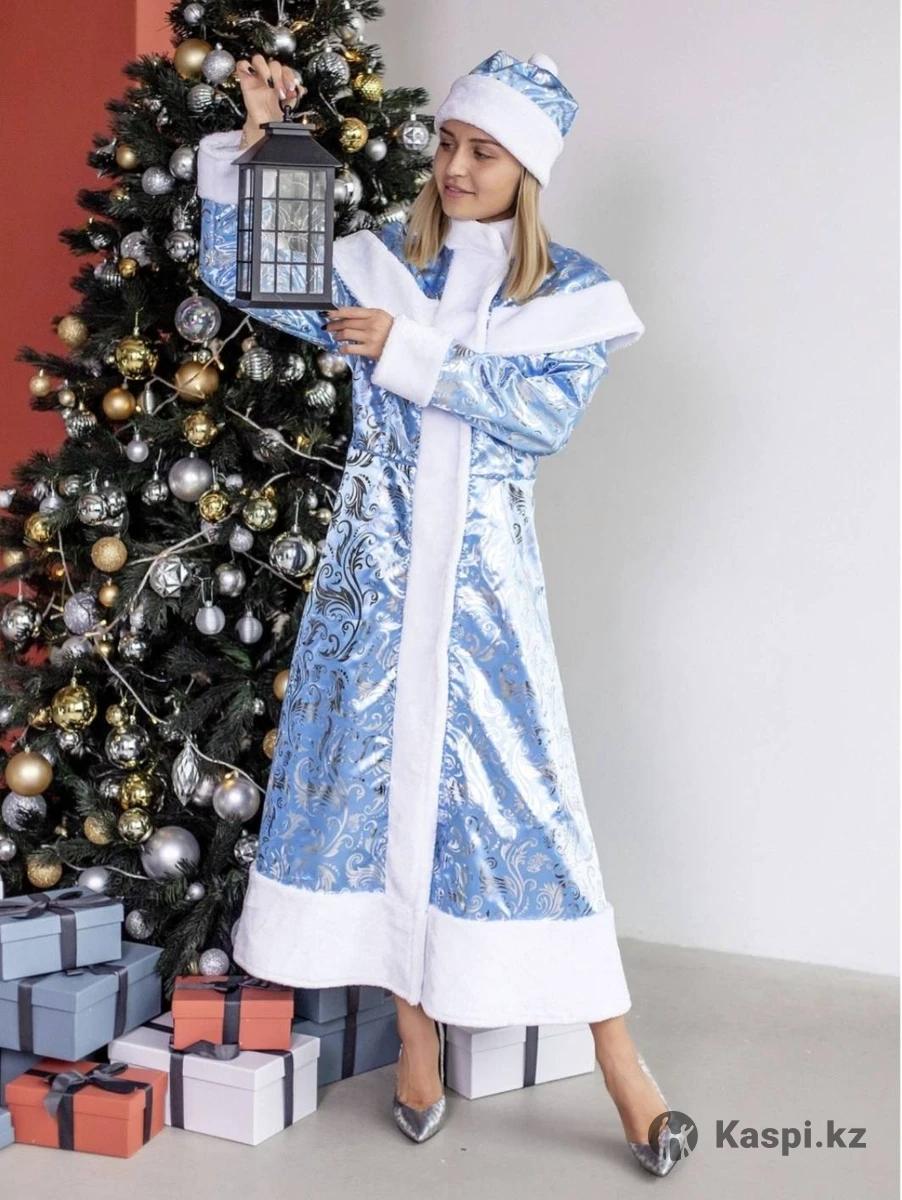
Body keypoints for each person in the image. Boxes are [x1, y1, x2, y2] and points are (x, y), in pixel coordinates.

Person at [195, 48, 679, 1177]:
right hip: (372, 587)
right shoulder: (382, 264)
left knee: (527, 812)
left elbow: (539, 420)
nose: (455, 167)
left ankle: (622, 1063)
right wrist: (260, 143)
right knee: (373, 796)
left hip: (485, 598)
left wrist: (408, 352)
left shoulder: (569, 297)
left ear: (528, 172)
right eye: (448, 144)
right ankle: (414, 1038)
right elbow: (246, 274)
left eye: (484, 153)